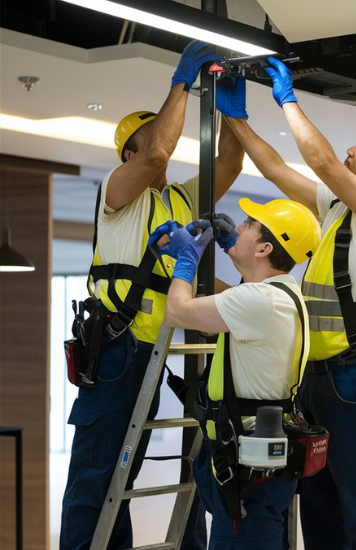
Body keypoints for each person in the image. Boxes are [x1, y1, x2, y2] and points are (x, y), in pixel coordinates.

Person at [216, 57, 356, 549]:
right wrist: (235, 119)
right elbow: (273, 168)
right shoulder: (337, 209)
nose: (355, 148)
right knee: (319, 498)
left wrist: (287, 100)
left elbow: (324, 162)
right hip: (316, 372)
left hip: (351, 373)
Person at [60, 41, 244, 550]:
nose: (165, 142)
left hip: (163, 348)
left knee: (126, 478)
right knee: (97, 480)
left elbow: (229, 159)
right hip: (118, 349)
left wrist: (230, 110)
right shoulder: (118, 192)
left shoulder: (179, 198)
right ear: (129, 152)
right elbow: (159, 151)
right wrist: (180, 83)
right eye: (150, 136)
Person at [149, 196, 321, 549]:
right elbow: (232, 302)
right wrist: (229, 244)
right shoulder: (280, 295)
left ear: (265, 248)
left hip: (246, 465)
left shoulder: (259, 300)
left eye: (247, 226)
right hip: (256, 460)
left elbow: (178, 313)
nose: (238, 227)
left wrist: (187, 259)